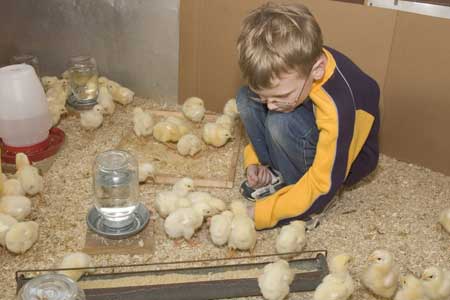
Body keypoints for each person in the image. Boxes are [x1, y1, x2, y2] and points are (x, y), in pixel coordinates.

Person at [236, 2, 380, 230]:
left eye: (280, 95)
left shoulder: (340, 105)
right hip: (307, 117)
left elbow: (323, 184)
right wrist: (254, 158)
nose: (270, 105)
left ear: (318, 70)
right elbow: (269, 99)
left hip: (339, 166)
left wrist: (261, 213)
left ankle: (297, 192)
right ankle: (275, 169)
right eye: (267, 97)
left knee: (279, 121)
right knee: (247, 98)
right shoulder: (299, 66)